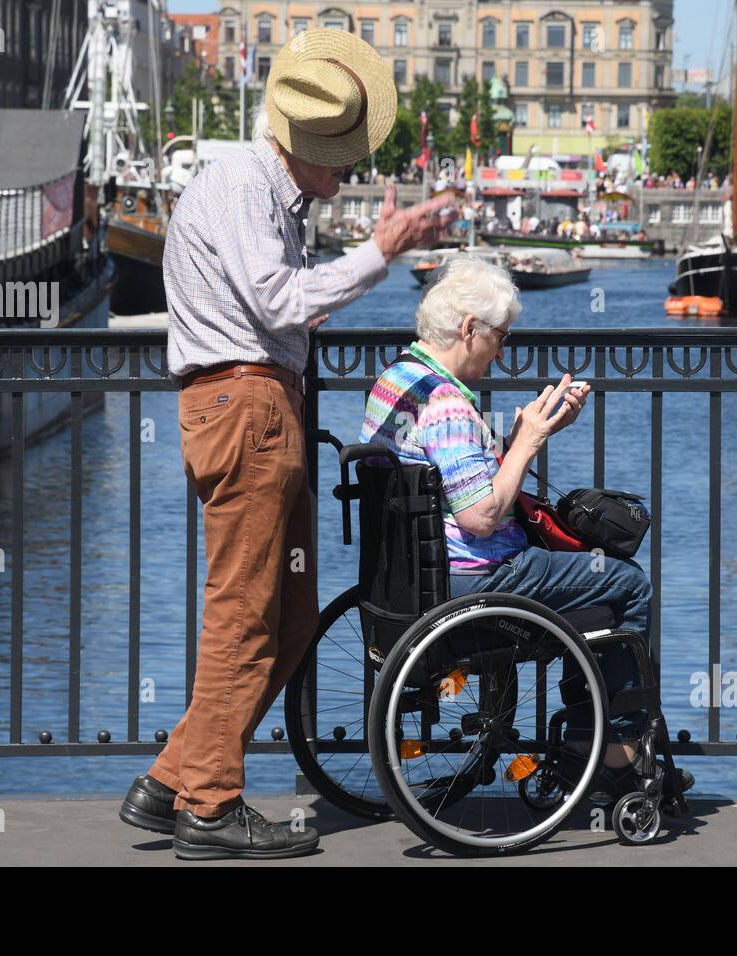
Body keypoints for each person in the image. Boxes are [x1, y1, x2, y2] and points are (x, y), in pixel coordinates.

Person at [118, 27, 456, 860]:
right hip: (248, 411)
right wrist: (377, 255)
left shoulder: (266, 194)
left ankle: (175, 779)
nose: (346, 172)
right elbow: (275, 303)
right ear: (304, 145)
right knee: (242, 615)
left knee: (291, 617)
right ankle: (210, 806)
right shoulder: (242, 184)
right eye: (340, 157)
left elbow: (277, 303)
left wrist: (339, 274)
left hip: (259, 406)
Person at [356, 257, 693, 798]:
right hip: (476, 576)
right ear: (469, 329)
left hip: (412, 575)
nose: (503, 351)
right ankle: (608, 748)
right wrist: (529, 443)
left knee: (593, 578)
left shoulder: (395, 382)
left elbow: (454, 490)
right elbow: (482, 517)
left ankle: (588, 733)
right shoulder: (444, 405)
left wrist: (520, 438)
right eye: (501, 336)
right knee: (628, 584)